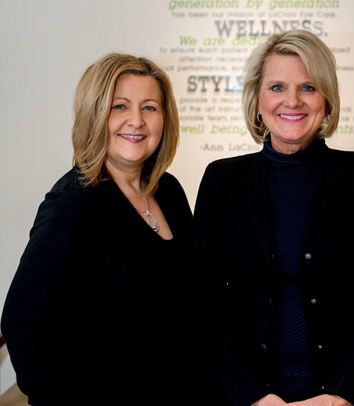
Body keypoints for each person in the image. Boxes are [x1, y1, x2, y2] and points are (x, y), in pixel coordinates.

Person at [192, 29, 354, 406]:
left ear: (326, 100)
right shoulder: (221, 181)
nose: (292, 101)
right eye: (277, 87)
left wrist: (342, 394)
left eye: (308, 88)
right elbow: (203, 301)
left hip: (347, 399)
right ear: (257, 100)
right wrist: (255, 397)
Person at [1, 53, 217, 405]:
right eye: (120, 106)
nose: (136, 121)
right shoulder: (72, 205)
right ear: (95, 114)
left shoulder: (169, 191)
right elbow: (22, 323)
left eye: (150, 108)